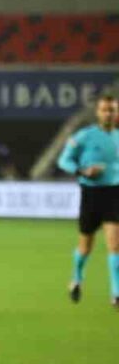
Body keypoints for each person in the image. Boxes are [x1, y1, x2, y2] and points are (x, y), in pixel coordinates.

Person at [57, 92, 119, 308]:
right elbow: (63, 160)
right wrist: (83, 171)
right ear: (97, 112)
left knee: (115, 244)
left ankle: (116, 293)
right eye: (104, 110)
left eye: (112, 110)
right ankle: (77, 278)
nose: (108, 113)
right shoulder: (85, 136)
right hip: (91, 194)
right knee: (85, 247)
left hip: (114, 193)